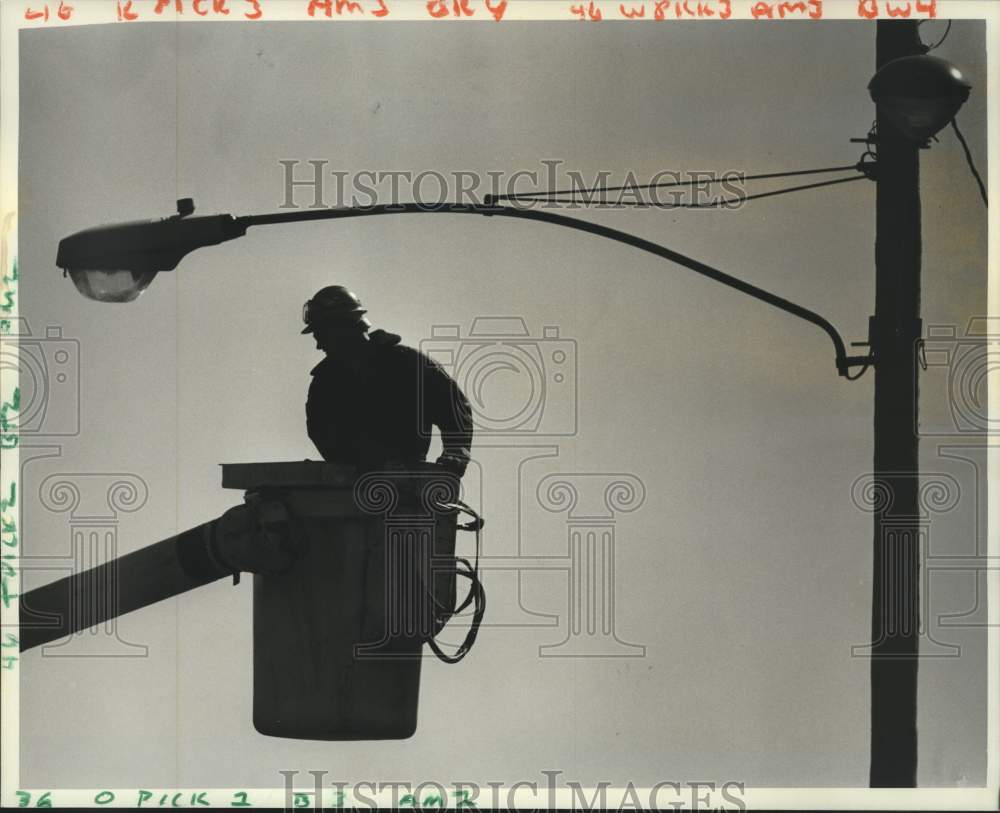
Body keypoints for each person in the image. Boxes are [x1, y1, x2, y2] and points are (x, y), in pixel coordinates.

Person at [302, 285, 473, 477]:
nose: (319, 345)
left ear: (343, 326)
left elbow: (453, 407)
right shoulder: (325, 383)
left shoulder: (408, 364)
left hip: (407, 484)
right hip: (349, 489)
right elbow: (320, 432)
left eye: (322, 335)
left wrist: (456, 452)